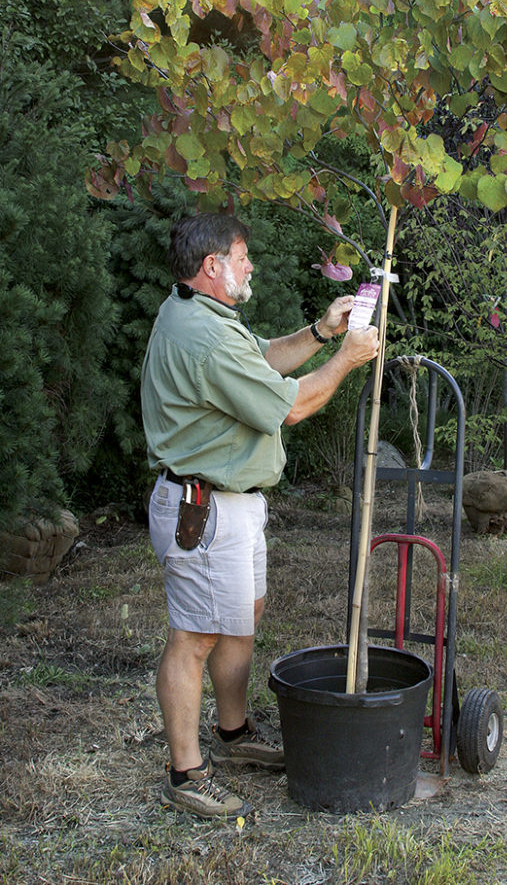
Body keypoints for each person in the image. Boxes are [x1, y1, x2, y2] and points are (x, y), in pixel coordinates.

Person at [141, 212, 379, 819]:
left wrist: (321, 333)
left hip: (231, 505)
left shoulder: (205, 315)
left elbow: (266, 362)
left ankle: (234, 735)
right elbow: (292, 407)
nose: (251, 266)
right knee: (195, 637)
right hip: (203, 509)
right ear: (212, 266)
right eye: (242, 256)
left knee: (239, 621)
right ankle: (187, 772)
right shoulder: (205, 336)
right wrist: (348, 359)